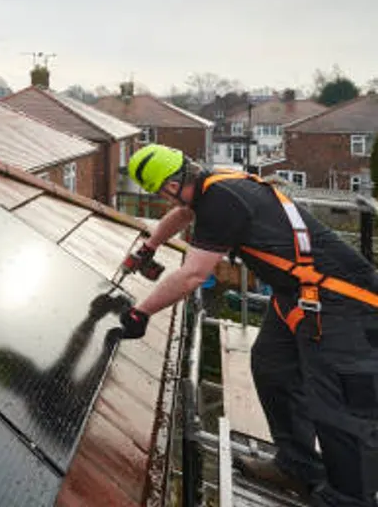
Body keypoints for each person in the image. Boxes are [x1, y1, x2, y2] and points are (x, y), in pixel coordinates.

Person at [120, 143, 378, 507]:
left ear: (174, 184)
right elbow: (182, 215)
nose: (166, 199)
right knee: (273, 367)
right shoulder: (212, 183)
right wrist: (148, 248)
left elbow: (193, 275)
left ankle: (349, 499)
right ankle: (297, 467)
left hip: (342, 302)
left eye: (163, 192)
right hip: (299, 296)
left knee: (336, 402)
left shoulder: (221, 200)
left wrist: (140, 312)